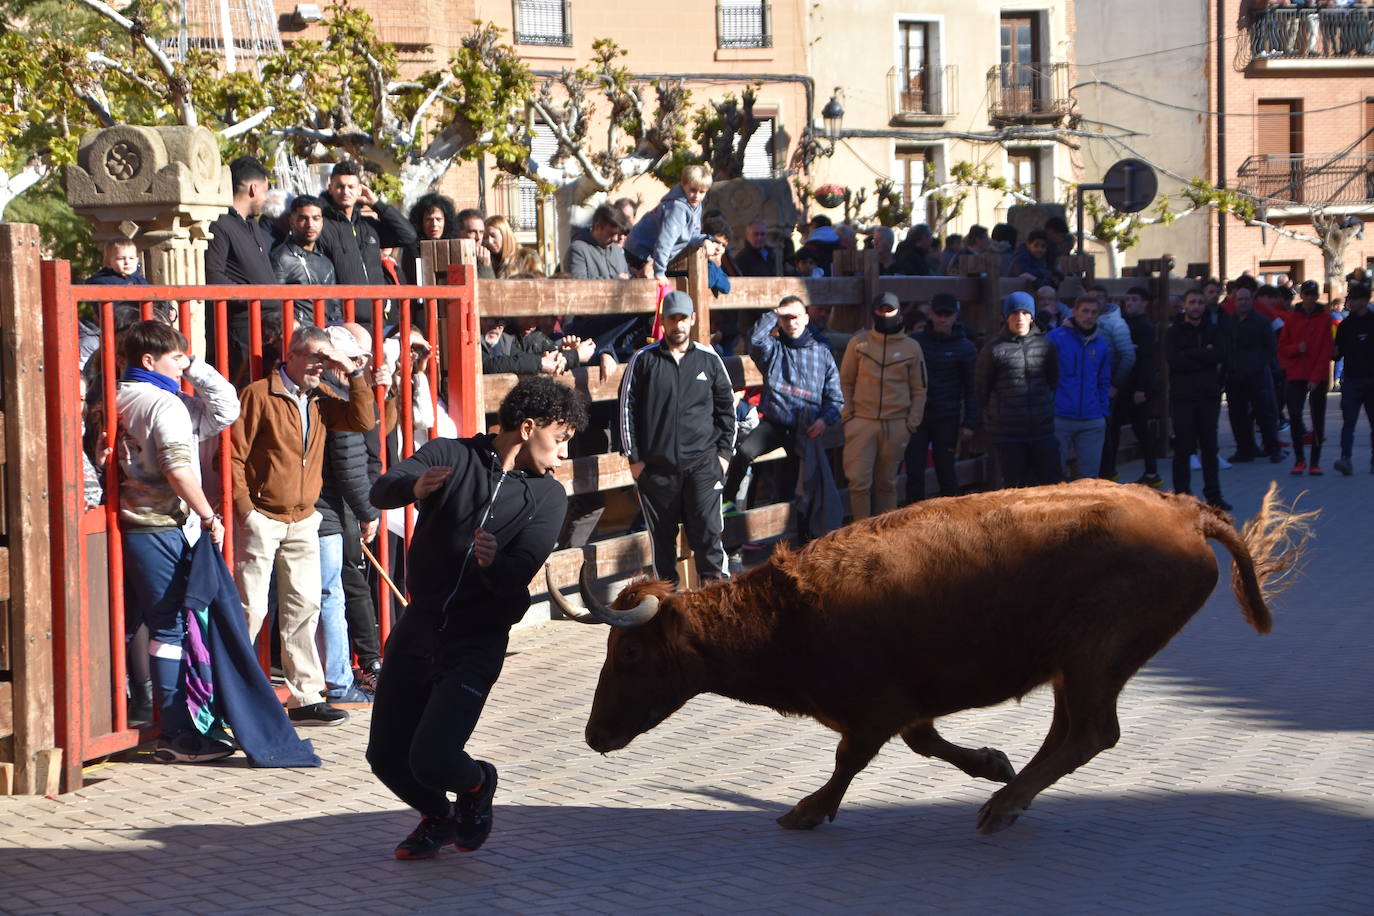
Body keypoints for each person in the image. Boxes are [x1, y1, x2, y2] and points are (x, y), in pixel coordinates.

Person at [366, 375, 587, 860]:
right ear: (528, 427)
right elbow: (381, 489)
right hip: (418, 629)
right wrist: (413, 485)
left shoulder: (548, 498)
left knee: (433, 758)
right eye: (560, 439)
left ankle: (477, 783)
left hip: (477, 640)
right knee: (385, 759)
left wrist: (492, 564)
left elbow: (518, 571)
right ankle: (438, 818)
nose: (563, 454)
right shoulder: (451, 454)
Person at [230, 325, 378, 726]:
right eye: (315, 357)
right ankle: (230, 695)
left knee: (305, 607)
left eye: (325, 359)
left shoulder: (322, 398)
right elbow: (233, 455)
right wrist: (246, 509)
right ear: (291, 355)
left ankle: (306, 696)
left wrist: (352, 372)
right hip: (263, 516)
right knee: (251, 609)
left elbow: (363, 420)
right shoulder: (260, 394)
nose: (320, 366)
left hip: (303, 518)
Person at [115, 321, 240, 761]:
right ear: (148, 361)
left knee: (137, 624)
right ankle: (175, 731)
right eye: (176, 359)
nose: (183, 365)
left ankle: (155, 715)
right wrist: (209, 515)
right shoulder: (162, 404)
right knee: (168, 626)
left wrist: (196, 368)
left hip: (135, 526)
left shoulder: (122, 395)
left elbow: (225, 412)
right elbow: (178, 468)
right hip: (159, 525)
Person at [619, 291, 736, 585]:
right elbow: (625, 408)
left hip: (703, 466)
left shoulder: (710, 360)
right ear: (663, 321)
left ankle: (716, 609)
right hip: (656, 471)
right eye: (672, 319)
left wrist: (724, 455)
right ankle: (667, 614)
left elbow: (727, 409)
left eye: (683, 318)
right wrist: (634, 460)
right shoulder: (643, 360)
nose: (678, 325)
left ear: (693, 320)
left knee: (709, 537)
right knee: (662, 547)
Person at [723, 296, 844, 522]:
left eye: (796, 317)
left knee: (800, 490)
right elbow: (755, 340)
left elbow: (835, 399)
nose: (791, 323)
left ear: (806, 319)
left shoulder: (821, 353)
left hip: (806, 428)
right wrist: (774, 312)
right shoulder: (773, 350)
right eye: (786, 318)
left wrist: (824, 420)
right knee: (744, 452)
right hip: (775, 423)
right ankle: (728, 501)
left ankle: (801, 538)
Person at [315, 325, 384, 705]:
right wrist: (367, 511)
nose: (362, 367)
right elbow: (349, 463)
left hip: (330, 506)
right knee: (334, 593)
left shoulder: (336, 393)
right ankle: (352, 676)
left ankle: (358, 669)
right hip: (329, 509)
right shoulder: (334, 395)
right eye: (356, 361)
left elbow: (368, 445)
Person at [839, 292, 927, 519]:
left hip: (897, 423)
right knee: (859, 481)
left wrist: (911, 423)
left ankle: (884, 534)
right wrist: (848, 415)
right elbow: (846, 380)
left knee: (887, 482)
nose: (885, 314)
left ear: (899, 313)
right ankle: (860, 532)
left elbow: (919, 388)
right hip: (862, 421)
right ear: (874, 313)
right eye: (881, 310)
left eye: (890, 310)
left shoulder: (912, 347)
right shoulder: (858, 343)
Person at [315, 160, 417, 325]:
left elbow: (408, 236)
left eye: (351, 187)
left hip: (380, 319)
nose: (345, 191)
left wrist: (377, 204)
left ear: (360, 189)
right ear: (330, 188)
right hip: (345, 322)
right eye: (339, 186)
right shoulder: (322, 226)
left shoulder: (368, 225)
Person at [975, 292, 1061, 487]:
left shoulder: (1046, 346)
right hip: (1008, 433)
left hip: (1042, 429)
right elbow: (982, 389)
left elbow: (1052, 380)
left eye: (1024, 312)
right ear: (1006, 317)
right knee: (1015, 488)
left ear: (1032, 316)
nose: (1019, 318)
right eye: (1014, 313)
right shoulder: (993, 349)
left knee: (1051, 483)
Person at [906, 293, 979, 502]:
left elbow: (972, 387)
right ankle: (911, 520)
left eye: (948, 314)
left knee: (946, 470)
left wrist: (970, 423)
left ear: (956, 316)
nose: (943, 319)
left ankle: (951, 520)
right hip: (917, 416)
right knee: (914, 471)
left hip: (947, 416)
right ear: (931, 314)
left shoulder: (965, 347)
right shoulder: (915, 342)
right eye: (939, 314)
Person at [204, 156, 277, 358]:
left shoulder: (253, 225)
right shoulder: (220, 224)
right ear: (253, 189)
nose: (266, 198)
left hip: (268, 327)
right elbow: (213, 273)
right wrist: (251, 295)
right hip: (241, 333)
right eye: (265, 191)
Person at [1165, 289, 1231, 510]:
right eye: (1192, 302)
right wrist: (1203, 354)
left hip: (1208, 397)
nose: (1196, 306)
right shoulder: (1173, 332)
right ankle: (1182, 496)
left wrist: (1192, 354)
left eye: (1200, 303)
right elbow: (1175, 361)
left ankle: (1214, 495)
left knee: (1210, 448)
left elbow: (1220, 355)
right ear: (1184, 304)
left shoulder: (1213, 330)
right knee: (1183, 448)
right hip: (1182, 398)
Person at [1047, 296, 1113, 479]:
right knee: (1054, 474)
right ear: (1075, 312)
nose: (1089, 316)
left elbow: (1104, 380)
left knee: (1089, 477)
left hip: (1092, 419)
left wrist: (1102, 410)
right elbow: (1043, 375)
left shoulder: (1101, 344)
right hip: (1060, 416)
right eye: (1085, 311)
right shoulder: (1055, 338)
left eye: (1094, 312)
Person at [1104, 286, 1164, 487]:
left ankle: (1151, 472)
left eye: (1134, 299)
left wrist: (1141, 389)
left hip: (1135, 388)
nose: (1129, 303)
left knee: (1138, 428)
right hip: (1127, 386)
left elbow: (1147, 359)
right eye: (1127, 299)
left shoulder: (1144, 326)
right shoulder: (1127, 322)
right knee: (1118, 427)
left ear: (1145, 303)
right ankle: (1112, 470)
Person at [1278, 279, 1335, 475]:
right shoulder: (1292, 318)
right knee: (1294, 415)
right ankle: (1299, 459)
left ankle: (1315, 462)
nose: (1310, 297)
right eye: (1306, 294)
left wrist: (1316, 377)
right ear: (1301, 295)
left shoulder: (1325, 318)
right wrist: (1297, 349)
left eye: (1313, 294)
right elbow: (1282, 348)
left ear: (1317, 296)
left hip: (1317, 375)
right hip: (1296, 374)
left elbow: (1326, 350)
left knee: (1318, 418)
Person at [1223, 286, 1285, 465]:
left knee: (1264, 414)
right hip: (1234, 377)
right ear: (1235, 301)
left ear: (1252, 301)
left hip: (1257, 376)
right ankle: (1244, 450)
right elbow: (1225, 347)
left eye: (1246, 299)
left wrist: (1258, 366)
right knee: (1237, 416)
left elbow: (1270, 348)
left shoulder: (1261, 322)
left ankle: (1273, 449)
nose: (1243, 303)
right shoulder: (1229, 323)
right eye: (1240, 299)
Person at [623, 165, 713, 279]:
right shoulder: (677, 208)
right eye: (693, 190)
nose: (697, 196)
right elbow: (665, 241)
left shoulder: (695, 205)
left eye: (702, 192)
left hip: (654, 253)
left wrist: (704, 240)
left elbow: (692, 233)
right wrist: (659, 272)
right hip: (640, 250)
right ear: (683, 184)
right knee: (650, 285)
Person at [270, 194, 341, 325]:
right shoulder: (280, 258)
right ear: (291, 221)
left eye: (316, 218)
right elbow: (274, 306)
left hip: (328, 330)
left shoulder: (326, 262)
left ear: (322, 221)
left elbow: (334, 307)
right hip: (298, 334)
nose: (310, 224)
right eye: (303, 218)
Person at [1333, 281, 1374, 475]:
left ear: (1365, 300)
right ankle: (1345, 459)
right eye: (1350, 299)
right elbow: (1337, 352)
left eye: (1356, 299)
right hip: (1352, 380)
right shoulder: (1346, 325)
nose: (1352, 303)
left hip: (1372, 379)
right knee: (1348, 422)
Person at [401, 192, 458, 283]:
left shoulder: (455, 246)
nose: (434, 224)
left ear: (446, 222)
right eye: (429, 219)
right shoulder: (411, 248)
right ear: (421, 222)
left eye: (438, 219)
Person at [565, 204, 631, 279]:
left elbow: (627, 275)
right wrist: (614, 281)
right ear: (597, 227)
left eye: (617, 234)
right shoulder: (578, 250)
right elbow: (577, 284)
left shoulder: (617, 251)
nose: (615, 238)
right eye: (611, 234)